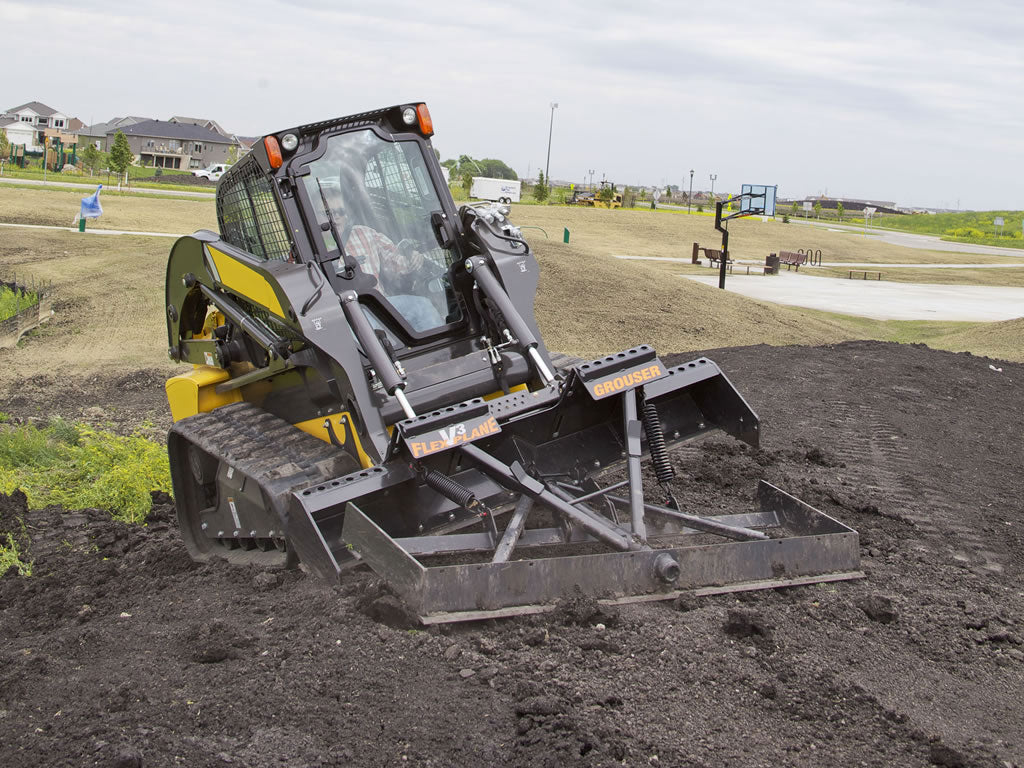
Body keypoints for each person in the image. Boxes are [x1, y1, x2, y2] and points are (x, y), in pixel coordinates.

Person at [321, 186, 444, 332]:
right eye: (328, 213)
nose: (335, 217)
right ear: (315, 216)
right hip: (340, 317)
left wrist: (412, 259)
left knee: (422, 307)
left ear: (346, 214)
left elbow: (394, 258)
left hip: (377, 307)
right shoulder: (311, 247)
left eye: (340, 212)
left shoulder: (365, 234)